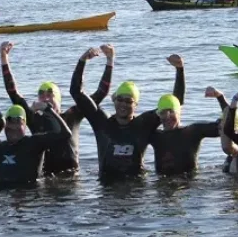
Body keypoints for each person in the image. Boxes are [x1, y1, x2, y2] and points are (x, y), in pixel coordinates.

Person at [70, 48, 185, 181]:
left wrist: (179, 69)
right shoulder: (102, 122)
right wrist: (82, 61)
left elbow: (175, 103)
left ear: (136, 104)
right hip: (107, 187)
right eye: (120, 99)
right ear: (114, 100)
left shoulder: (144, 124)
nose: (123, 104)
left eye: (128, 101)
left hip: (136, 187)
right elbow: (76, 92)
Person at [0, 41, 113, 175]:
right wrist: (4, 57)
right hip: (47, 178)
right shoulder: (34, 119)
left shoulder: (72, 115)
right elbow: (13, 92)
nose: (46, 99)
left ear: (58, 99)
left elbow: (100, 93)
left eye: (50, 95)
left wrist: (109, 60)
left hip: (72, 177)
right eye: (42, 96)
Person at [0, 104, 72, 190]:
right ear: (4, 126)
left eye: (18, 122)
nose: (14, 127)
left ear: (25, 126)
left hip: (29, 194)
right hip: (1, 195)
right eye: (10, 122)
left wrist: (48, 109)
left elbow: (65, 134)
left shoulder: (34, 143)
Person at [147, 93, 220, 177]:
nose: (167, 116)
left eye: (171, 112)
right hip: (162, 182)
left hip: (189, 182)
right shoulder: (155, 136)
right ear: (159, 116)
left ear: (179, 113)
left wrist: (220, 97)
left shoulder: (191, 132)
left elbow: (223, 127)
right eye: (163, 113)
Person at [204, 87, 238, 174]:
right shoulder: (231, 155)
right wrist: (219, 96)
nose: (218, 126)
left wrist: (235, 99)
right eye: (218, 122)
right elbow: (227, 112)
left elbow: (227, 145)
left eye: (221, 124)